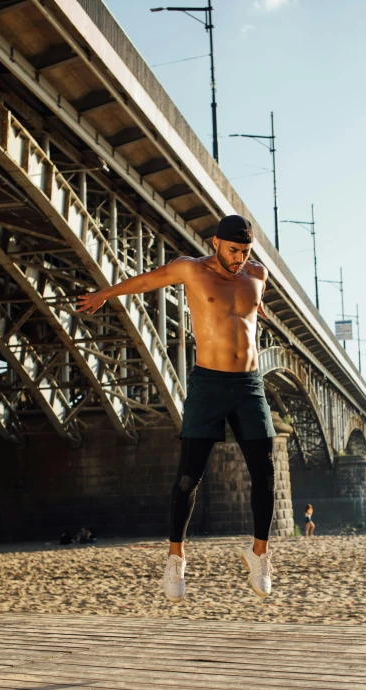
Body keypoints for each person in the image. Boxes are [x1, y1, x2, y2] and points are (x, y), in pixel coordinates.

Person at [76, 215, 275, 603]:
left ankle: (259, 554)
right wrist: (105, 294)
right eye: (233, 250)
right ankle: (175, 558)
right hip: (209, 383)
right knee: (189, 476)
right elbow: (148, 280)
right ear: (215, 242)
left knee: (265, 472)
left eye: (245, 251)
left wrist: (259, 308)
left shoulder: (257, 273)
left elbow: (251, 304)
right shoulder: (191, 270)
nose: (239, 258)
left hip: (249, 384)